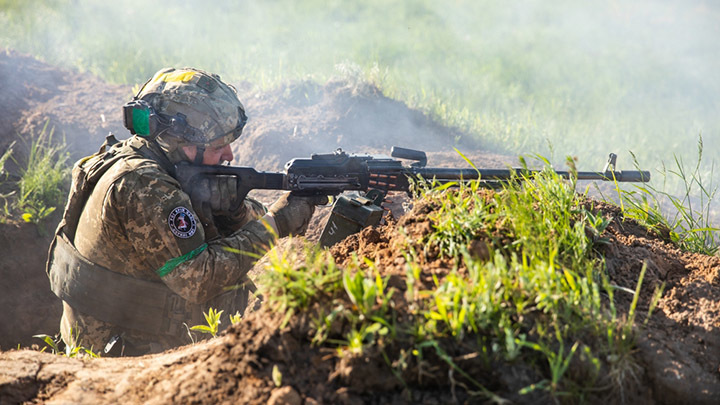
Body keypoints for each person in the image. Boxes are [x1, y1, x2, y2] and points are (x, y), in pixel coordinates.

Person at [46, 67, 323, 356]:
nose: (229, 155)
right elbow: (198, 280)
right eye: (219, 145)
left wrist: (236, 212)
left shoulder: (135, 157)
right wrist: (274, 225)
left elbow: (216, 219)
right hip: (124, 362)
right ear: (183, 143)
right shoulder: (145, 185)